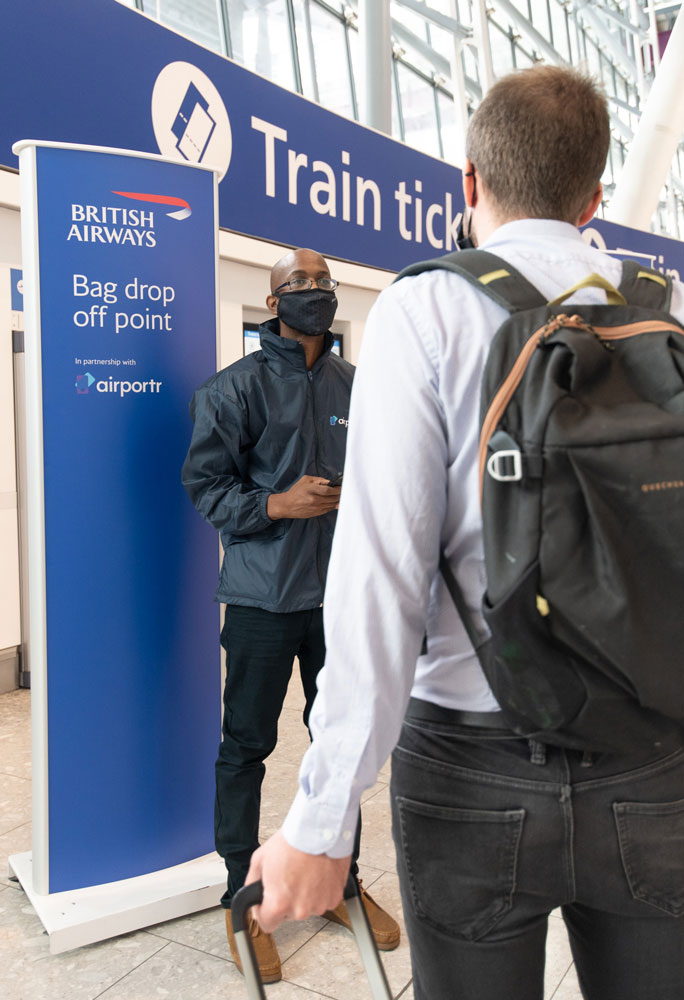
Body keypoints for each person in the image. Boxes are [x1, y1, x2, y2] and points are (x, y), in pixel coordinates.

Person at [246, 68, 684, 999]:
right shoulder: (663, 309)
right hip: (654, 758)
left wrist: (322, 821)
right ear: (594, 197)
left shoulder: (425, 309)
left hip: (472, 766)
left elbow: (382, 577)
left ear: (470, 180)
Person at [181, 247, 400, 984]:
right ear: (273, 302)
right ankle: (241, 898)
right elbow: (205, 487)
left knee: (341, 742)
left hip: (339, 600)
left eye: (323, 280)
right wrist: (278, 503)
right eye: (299, 283)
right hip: (261, 600)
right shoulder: (231, 390)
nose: (316, 290)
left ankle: (341, 884)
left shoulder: (358, 386)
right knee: (246, 745)